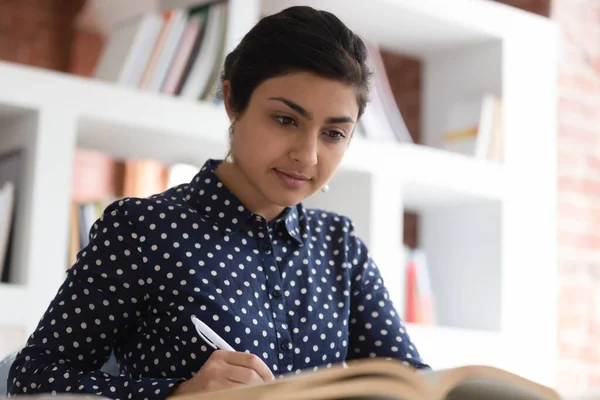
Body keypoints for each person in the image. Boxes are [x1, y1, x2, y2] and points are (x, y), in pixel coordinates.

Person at [8, 5, 429, 399]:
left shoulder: (341, 248)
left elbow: (411, 382)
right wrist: (177, 392)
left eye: (334, 133)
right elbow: (33, 377)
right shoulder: (143, 230)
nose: (308, 155)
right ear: (232, 100)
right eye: (285, 120)